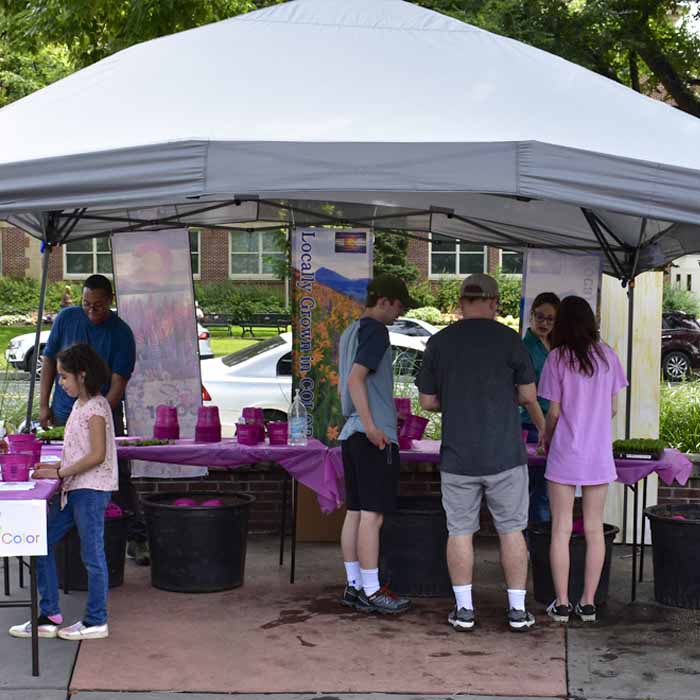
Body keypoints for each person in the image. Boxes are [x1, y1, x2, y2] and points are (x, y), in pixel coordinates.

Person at [416, 273, 545, 633]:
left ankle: (464, 610)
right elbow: (528, 395)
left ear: (461, 302)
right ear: (492, 302)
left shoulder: (439, 343)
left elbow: (427, 401)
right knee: (511, 531)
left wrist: (455, 399)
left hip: (459, 457)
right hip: (505, 454)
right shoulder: (510, 339)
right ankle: (517, 611)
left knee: (459, 531)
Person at [10, 344, 117, 640]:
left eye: (64, 377)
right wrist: (51, 465)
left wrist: (58, 472)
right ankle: (49, 614)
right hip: (75, 489)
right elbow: (80, 453)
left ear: (82, 376)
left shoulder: (95, 407)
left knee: (92, 555)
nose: (60, 382)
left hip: (91, 491)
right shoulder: (80, 406)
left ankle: (96, 620)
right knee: (40, 540)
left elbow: (97, 455)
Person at [38, 275, 147, 564]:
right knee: (65, 466)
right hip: (63, 411)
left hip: (104, 411)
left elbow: (118, 381)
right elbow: (49, 360)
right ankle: (63, 536)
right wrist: (43, 405)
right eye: (86, 304)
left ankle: (136, 536)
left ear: (110, 300)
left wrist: (95, 411)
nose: (91, 311)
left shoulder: (121, 332)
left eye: (98, 306)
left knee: (117, 473)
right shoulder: (66, 318)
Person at [539, 296, 627, 624]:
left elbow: (554, 411)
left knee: (561, 530)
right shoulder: (608, 356)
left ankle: (562, 604)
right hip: (598, 454)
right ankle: (588, 603)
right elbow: (614, 407)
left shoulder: (557, 358)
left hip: (564, 452)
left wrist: (546, 435)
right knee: (593, 529)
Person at [337, 274, 414, 614]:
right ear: (383, 300)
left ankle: (354, 585)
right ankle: (372, 590)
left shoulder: (349, 332)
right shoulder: (376, 331)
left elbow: (353, 382)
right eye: (399, 306)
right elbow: (357, 379)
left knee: (355, 512)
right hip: (373, 436)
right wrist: (373, 425)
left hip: (350, 434)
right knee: (372, 516)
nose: (399, 314)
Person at [521, 292, 560, 524]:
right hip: (530, 423)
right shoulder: (524, 347)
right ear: (531, 315)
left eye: (550, 319)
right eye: (540, 317)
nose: (544, 323)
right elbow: (527, 396)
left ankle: (542, 545)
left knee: (548, 490)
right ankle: (531, 547)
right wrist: (544, 430)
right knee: (534, 490)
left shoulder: (557, 346)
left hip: (555, 423)